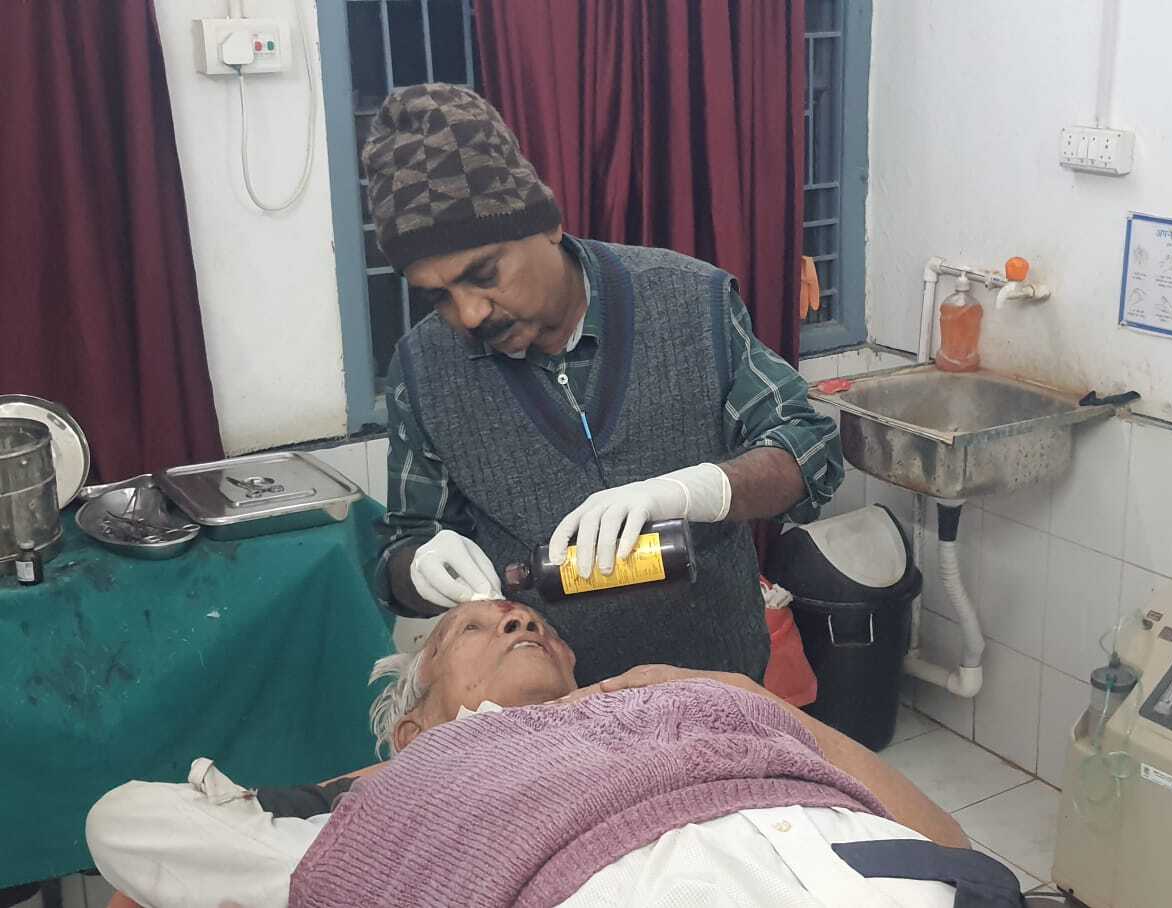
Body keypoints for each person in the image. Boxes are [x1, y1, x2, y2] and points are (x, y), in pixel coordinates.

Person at [85, 601, 1037, 908]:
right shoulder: (389, 812)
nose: (516, 618)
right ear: (411, 725)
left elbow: (951, 844)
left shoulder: (681, 699)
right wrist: (372, 782)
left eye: (530, 620)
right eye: (471, 628)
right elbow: (125, 821)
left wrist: (733, 690)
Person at [363, 83, 843, 684]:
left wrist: (696, 491)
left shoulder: (689, 302)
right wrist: (417, 567)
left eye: (483, 274)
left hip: (719, 686)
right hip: (554, 709)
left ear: (548, 225)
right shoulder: (424, 370)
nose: (469, 314)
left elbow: (809, 448)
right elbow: (398, 553)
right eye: (438, 297)